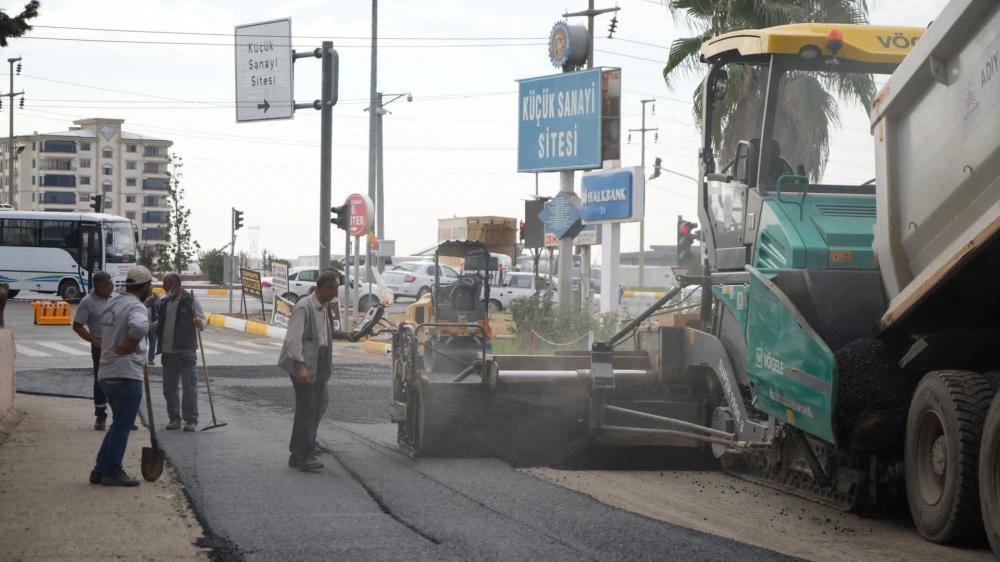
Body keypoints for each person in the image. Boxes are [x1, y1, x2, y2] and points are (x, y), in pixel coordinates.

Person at [278, 269, 357, 472]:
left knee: (318, 405)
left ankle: (301, 448)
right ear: (324, 287)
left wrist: (347, 335)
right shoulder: (305, 307)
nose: (336, 294)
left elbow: (324, 333)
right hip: (304, 363)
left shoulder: (324, 307)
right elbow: (292, 340)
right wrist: (300, 367)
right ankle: (303, 454)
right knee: (308, 408)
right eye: (335, 289)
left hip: (319, 362)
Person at [90, 265, 154, 487]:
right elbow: (138, 325)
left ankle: (100, 469)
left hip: (106, 372)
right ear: (145, 286)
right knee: (123, 426)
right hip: (126, 373)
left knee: (118, 423)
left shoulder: (114, 302)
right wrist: (131, 343)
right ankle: (113, 471)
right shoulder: (137, 308)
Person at [153, 273, 205, 432]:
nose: (164, 288)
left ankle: (190, 420)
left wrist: (199, 322)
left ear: (176, 284)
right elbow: (159, 324)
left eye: (167, 285)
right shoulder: (164, 302)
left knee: (189, 387)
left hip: (186, 351)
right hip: (168, 352)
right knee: (169, 388)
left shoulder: (191, 300)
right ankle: (174, 419)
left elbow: (203, 323)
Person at [72, 271, 114, 430]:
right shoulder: (87, 302)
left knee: (119, 379)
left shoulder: (116, 298)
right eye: (109, 285)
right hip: (100, 346)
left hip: (117, 345)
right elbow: (77, 326)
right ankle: (101, 415)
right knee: (101, 379)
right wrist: (95, 341)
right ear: (99, 286)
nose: (112, 287)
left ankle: (120, 417)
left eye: (112, 283)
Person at [146, 290, 161, 366]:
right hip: (144, 324)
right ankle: (142, 360)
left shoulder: (156, 297)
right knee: (142, 343)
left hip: (153, 324)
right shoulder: (142, 296)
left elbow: (159, 308)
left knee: (153, 343)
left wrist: (157, 320)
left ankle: (150, 359)